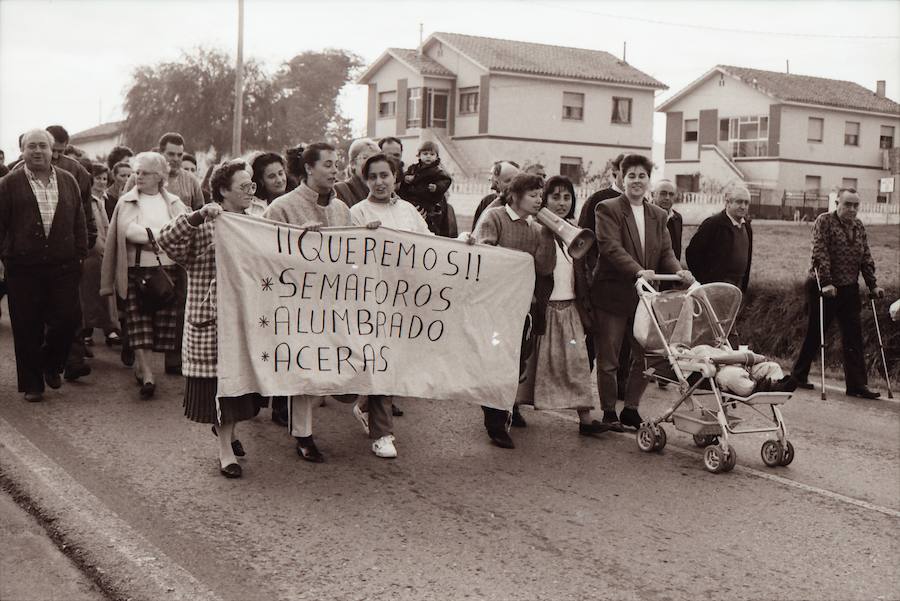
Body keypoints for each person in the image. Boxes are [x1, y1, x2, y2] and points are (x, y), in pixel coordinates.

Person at [156, 160, 265, 478]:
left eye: (251, 186)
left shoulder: (256, 223)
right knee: (220, 388)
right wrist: (197, 215)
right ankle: (225, 451)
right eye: (243, 187)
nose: (249, 192)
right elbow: (166, 241)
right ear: (222, 190)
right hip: (211, 321)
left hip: (245, 320)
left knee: (240, 388)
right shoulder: (204, 223)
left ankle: (227, 434)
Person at [263, 142, 356, 462]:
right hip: (298, 302)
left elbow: (353, 254)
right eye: (328, 165)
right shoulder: (281, 207)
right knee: (304, 364)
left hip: (335, 301)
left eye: (336, 165)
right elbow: (265, 252)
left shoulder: (342, 209)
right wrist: (298, 240)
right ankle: (303, 435)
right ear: (308, 168)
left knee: (335, 368)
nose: (335, 171)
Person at [592, 154, 694, 431]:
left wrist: (679, 271)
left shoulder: (658, 215)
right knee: (610, 357)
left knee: (646, 355)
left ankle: (632, 408)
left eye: (642, 176)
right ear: (622, 179)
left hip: (646, 298)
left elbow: (666, 252)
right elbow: (610, 247)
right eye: (632, 176)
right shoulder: (607, 208)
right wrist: (638, 270)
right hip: (614, 293)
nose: (637, 181)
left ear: (649, 180)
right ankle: (609, 410)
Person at [349, 153, 436, 458]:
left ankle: (363, 405)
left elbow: (430, 244)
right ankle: (382, 434)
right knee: (381, 361)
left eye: (384, 175)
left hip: (407, 297)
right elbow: (350, 259)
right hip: (374, 298)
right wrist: (364, 238)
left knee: (396, 360)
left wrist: (461, 242)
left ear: (396, 177)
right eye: (372, 177)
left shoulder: (409, 210)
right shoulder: (358, 212)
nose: (379, 182)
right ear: (365, 180)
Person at [0, 130, 88, 402]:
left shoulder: (68, 180)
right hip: (23, 267)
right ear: (22, 151)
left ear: (53, 151)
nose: (37, 151)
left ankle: (51, 364)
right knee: (27, 326)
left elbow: (79, 220)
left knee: (67, 319)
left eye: (42, 146)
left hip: (63, 265)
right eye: (31, 147)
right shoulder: (8, 184)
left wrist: (80, 254)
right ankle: (33, 384)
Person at [519, 175, 609, 437]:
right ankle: (514, 408)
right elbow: (539, 266)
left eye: (567, 197)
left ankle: (586, 418)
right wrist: (547, 229)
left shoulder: (575, 230)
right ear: (544, 199)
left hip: (570, 308)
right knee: (532, 361)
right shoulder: (536, 229)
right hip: (543, 307)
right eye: (555, 197)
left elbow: (582, 271)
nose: (561, 203)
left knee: (577, 362)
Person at [472, 172, 556, 449]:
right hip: (495, 307)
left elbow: (544, 267)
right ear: (515, 196)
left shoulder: (534, 228)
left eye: (540, 195)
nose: (538, 200)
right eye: (533, 195)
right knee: (497, 362)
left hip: (521, 310)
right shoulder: (493, 217)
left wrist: (548, 235)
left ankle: (503, 409)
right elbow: (483, 256)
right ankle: (495, 422)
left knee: (517, 362)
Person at [101, 152, 188, 398]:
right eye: (137, 172)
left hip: (166, 271)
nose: (139, 177)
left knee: (160, 324)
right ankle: (148, 375)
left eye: (145, 173)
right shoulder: (127, 201)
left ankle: (142, 367)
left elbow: (183, 229)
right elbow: (128, 231)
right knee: (139, 323)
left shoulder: (173, 202)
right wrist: (162, 235)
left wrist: (152, 235)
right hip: (135, 270)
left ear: (160, 177)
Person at [790, 188, 884, 399]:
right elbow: (819, 252)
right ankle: (798, 374)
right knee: (817, 331)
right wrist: (826, 282)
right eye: (847, 204)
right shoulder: (824, 221)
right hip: (823, 286)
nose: (852, 209)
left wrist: (872, 285)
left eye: (855, 205)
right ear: (837, 204)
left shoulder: (859, 226)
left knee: (854, 335)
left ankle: (857, 385)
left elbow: (865, 257)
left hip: (850, 287)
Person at [81, 163, 120, 348]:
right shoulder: (87, 200)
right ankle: (87, 330)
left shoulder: (107, 199)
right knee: (89, 292)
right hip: (93, 251)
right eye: (98, 178)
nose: (102, 182)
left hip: (107, 249)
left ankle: (110, 329)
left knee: (106, 291)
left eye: (105, 179)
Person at [685, 186, 753, 292]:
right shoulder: (713, 224)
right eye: (739, 202)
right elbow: (692, 253)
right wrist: (704, 281)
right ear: (728, 203)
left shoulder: (747, 227)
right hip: (714, 288)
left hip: (737, 287)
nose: (743, 206)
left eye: (746, 203)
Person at [398, 141, 453, 236]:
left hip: (428, 200)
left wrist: (437, 187)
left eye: (432, 154)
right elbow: (404, 176)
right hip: (413, 198)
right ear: (419, 155)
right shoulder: (413, 168)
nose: (428, 156)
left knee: (428, 222)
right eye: (425, 154)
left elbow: (446, 180)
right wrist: (406, 178)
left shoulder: (437, 171)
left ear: (436, 157)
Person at [471, 160, 519, 229]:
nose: (490, 178)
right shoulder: (487, 201)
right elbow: (477, 230)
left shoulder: (522, 203)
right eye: (491, 174)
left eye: (492, 174)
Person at [334, 138, 380, 208]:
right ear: (353, 164)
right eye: (365, 158)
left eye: (376, 159)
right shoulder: (340, 190)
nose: (371, 163)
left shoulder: (383, 189)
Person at [248, 152, 287, 217]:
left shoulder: (296, 199)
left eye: (281, 173)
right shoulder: (253, 206)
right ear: (261, 180)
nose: (279, 180)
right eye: (272, 176)